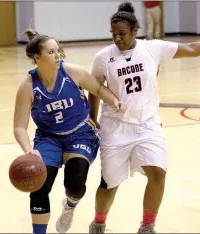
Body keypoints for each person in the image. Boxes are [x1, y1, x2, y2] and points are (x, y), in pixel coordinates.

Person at [88, 2, 200, 233]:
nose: (117, 38)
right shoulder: (103, 58)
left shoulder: (152, 48)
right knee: (110, 184)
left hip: (147, 124)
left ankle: (147, 225)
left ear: (134, 31)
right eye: (113, 34)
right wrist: (94, 119)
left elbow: (191, 48)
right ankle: (99, 222)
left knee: (158, 173)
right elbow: (95, 89)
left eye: (122, 33)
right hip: (115, 126)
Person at [13, 29, 126, 234]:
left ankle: (70, 205)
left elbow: (98, 89)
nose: (57, 55)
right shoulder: (28, 87)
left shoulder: (73, 72)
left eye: (58, 51)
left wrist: (115, 101)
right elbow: (19, 127)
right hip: (48, 138)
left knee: (75, 183)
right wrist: (29, 150)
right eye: (51, 52)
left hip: (80, 133)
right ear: (36, 57)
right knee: (39, 187)